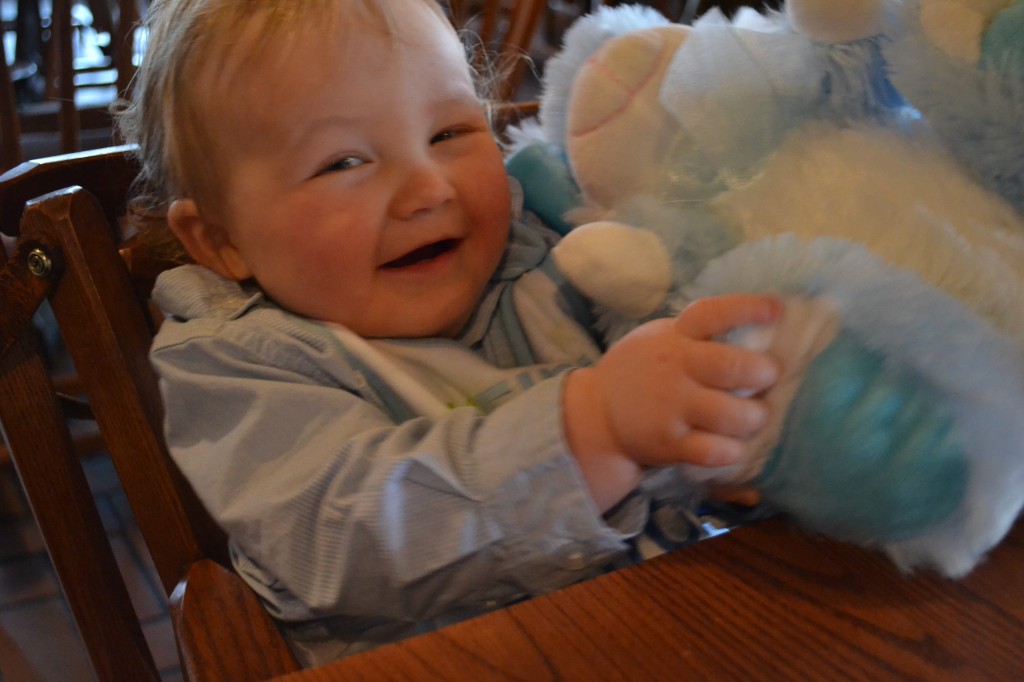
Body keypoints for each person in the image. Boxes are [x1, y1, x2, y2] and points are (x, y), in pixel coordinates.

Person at [115, 0, 781, 666]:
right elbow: (350, 537)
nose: (428, 189)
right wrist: (592, 429)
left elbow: (663, 352)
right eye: (344, 162)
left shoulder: (546, 247)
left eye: (449, 133)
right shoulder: (236, 365)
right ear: (222, 240)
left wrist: (727, 432)